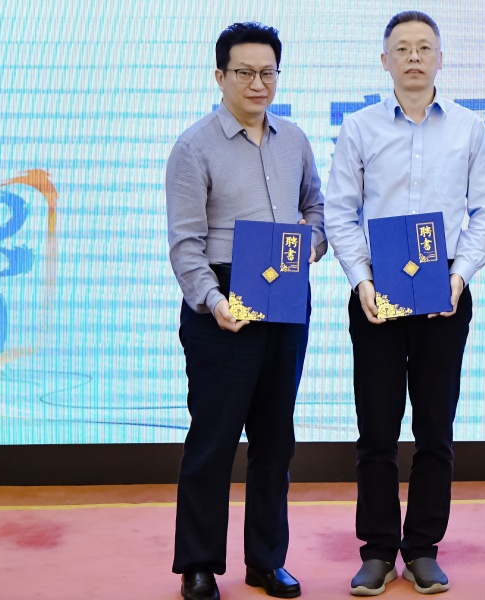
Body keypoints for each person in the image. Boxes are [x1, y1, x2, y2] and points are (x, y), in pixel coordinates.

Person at [323, 10, 485, 597]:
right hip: (377, 295)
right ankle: (377, 550)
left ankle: (423, 548)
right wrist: (361, 280)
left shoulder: (470, 127)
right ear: (385, 61)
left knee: (435, 431)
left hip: (444, 295)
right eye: (403, 48)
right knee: (376, 431)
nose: (415, 57)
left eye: (425, 47)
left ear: (441, 58)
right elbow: (340, 210)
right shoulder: (359, 127)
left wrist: (460, 276)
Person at [165, 21, 325, 600]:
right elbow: (185, 244)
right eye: (245, 72)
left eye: (267, 72)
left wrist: (309, 244)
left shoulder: (295, 140)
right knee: (213, 440)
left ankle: (266, 560)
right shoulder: (194, 147)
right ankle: (199, 564)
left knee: (276, 440)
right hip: (223, 299)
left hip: (285, 295)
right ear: (220, 75)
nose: (258, 83)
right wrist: (213, 302)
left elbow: (317, 209)